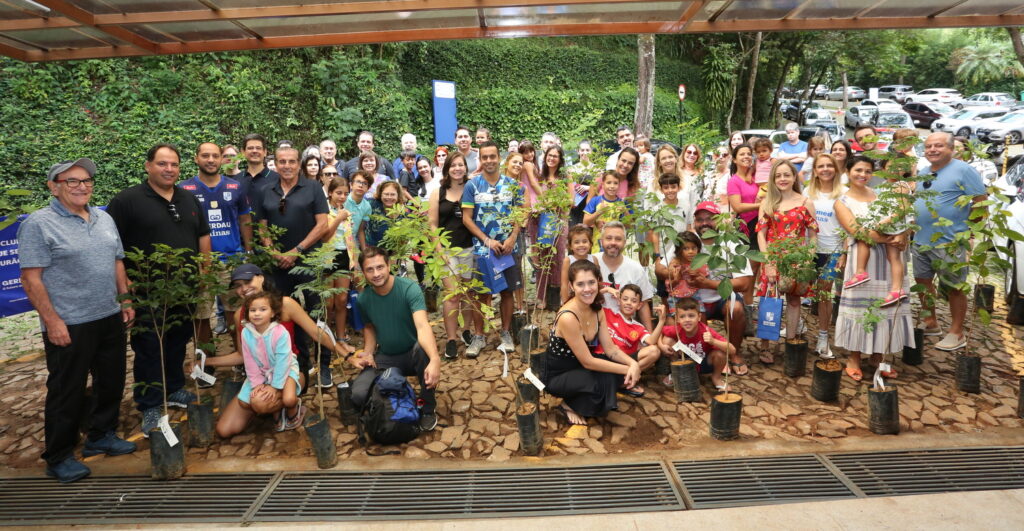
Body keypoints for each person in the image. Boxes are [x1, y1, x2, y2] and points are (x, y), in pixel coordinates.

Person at [19, 158, 136, 483]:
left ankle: (101, 433)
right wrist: (52, 320)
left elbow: (116, 262)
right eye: (72, 181)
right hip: (69, 322)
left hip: (109, 315)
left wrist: (125, 299)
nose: (82, 186)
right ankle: (58, 455)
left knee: (111, 380)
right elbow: (31, 279)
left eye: (86, 180)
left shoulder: (103, 218)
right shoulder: (38, 224)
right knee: (66, 389)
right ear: (53, 187)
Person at [106, 144, 211, 435]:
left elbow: (203, 235)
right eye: (162, 164)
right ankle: (150, 404)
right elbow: (113, 247)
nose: (169, 169)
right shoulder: (127, 201)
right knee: (149, 348)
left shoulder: (188, 198)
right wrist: (125, 282)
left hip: (183, 289)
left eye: (174, 164)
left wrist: (204, 270)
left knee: (178, 341)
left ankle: (174, 388)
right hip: (147, 292)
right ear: (148, 166)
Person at [251, 145, 330, 385]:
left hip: (308, 262)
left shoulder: (313, 187)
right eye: (282, 161)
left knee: (317, 313)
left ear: (299, 163)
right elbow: (261, 226)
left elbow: (322, 224)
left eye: (292, 161)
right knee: (282, 316)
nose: (286, 166)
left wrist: (297, 251)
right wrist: (275, 252)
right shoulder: (266, 190)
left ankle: (324, 364)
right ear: (275, 163)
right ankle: (297, 365)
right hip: (277, 267)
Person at [833, 156, 914, 381]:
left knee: (886, 307)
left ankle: (879, 356)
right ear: (848, 171)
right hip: (862, 261)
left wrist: (902, 234)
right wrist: (890, 239)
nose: (863, 175)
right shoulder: (842, 201)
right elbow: (857, 231)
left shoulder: (882, 195)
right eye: (858, 170)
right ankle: (854, 357)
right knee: (859, 309)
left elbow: (904, 218)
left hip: (889, 262)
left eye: (868, 171)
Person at [349, 247, 441, 432]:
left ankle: (428, 408)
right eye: (370, 269)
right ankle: (388, 400)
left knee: (424, 352)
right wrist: (368, 352)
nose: (376, 274)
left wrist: (435, 359)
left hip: (413, 353)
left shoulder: (409, 288)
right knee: (358, 395)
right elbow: (369, 327)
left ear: (389, 265)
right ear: (363, 272)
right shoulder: (364, 299)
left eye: (380, 267)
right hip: (386, 357)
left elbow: (423, 326)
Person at [912, 132, 987, 351]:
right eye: (928, 146)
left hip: (950, 242)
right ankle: (931, 321)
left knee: (954, 287)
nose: (932, 150)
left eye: (938, 146)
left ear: (951, 148)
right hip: (921, 240)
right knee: (923, 283)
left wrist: (966, 232)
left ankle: (957, 332)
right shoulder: (924, 171)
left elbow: (981, 204)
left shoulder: (964, 170)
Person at [542, 259, 640, 425]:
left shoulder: (597, 309)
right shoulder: (568, 317)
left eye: (591, 282)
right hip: (559, 375)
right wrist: (627, 369)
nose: (587, 289)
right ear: (572, 286)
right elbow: (588, 362)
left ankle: (582, 399)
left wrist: (633, 364)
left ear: (598, 282)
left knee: (612, 376)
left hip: (581, 366)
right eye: (580, 284)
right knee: (606, 380)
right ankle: (568, 404)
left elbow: (610, 349)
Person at [178, 142, 253, 356]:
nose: (210, 160)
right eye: (205, 155)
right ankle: (206, 361)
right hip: (201, 263)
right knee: (201, 316)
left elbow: (245, 219)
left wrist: (248, 253)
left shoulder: (235, 187)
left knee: (235, 314)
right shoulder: (184, 190)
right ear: (196, 158)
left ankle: (240, 359)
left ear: (221, 159)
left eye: (214, 156)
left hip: (232, 260)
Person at [462, 141, 523, 357]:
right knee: (481, 293)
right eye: (485, 157)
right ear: (480, 160)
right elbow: (467, 220)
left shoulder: (513, 185)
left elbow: (520, 214)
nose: (489, 160)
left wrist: (512, 238)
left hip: (508, 248)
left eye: (492, 156)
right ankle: (479, 336)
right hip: (482, 249)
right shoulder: (472, 186)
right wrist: (487, 241)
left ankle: (505, 333)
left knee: (507, 291)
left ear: (500, 158)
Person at [754, 160, 818, 365]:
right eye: (778, 175)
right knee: (769, 301)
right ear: (773, 179)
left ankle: (791, 342)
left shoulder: (805, 202)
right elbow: (761, 236)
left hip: (796, 259)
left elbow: (813, 235)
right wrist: (769, 263)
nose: (782, 179)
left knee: (793, 301)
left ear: (794, 177)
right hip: (772, 258)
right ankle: (765, 346)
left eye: (786, 175)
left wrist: (807, 260)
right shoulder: (767, 202)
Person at [215, 291, 303, 438]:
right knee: (246, 402)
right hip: (262, 373)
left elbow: (283, 361)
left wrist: (274, 386)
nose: (257, 314)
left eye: (263, 309)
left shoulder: (280, 332)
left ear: (273, 313)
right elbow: (249, 361)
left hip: (285, 370)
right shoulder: (246, 333)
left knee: (289, 399)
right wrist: (257, 384)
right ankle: (276, 412)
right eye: (253, 310)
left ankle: (293, 409)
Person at [844, 156, 914, 307]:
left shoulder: (902, 186)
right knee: (864, 238)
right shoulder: (881, 187)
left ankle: (896, 288)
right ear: (883, 169)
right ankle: (861, 271)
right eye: (891, 166)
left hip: (894, 224)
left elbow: (903, 210)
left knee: (894, 256)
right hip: (883, 222)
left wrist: (885, 223)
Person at [691, 201, 752, 376]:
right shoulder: (688, 242)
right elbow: (662, 266)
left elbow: (744, 283)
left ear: (719, 220)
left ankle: (734, 353)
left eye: (710, 219)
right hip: (697, 299)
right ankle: (711, 356)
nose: (704, 223)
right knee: (693, 315)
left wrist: (708, 284)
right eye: (699, 219)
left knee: (737, 309)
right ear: (694, 222)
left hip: (721, 298)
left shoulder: (730, 244)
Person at [429, 151, 475, 359]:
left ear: (466, 167)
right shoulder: (437, 193)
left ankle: (466, 330)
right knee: (452, 294)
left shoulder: (472, 188)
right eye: (453, 165)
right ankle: (450, 338)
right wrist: (439, 251)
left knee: (467, 294)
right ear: (447, 169)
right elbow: (432, 224)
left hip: (470, 248)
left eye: (461, 165)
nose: (458, 168)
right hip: (447, 250)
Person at [804, 153, 845, 358]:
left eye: (830, 165)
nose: (826, 169)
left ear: (836, 170)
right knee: (803, 290)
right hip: (809, 250)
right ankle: (799, 326)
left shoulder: (843, 193)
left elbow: (849, 227)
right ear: (815, 170)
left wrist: (844, 253)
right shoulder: (807, 192)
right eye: (821, 166)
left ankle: (822, 336)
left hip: (833, 251)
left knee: (824, 292)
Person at [600, 284, 666, 396]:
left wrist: (661, 321)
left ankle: (625, 380)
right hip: (604, 358)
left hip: (625, 361)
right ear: (618, 300)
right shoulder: (607, 313)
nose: (629, 303)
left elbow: (651, 341)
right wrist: (606, 290)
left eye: (634, 301)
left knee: (654, 351)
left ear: (639, 305)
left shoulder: (638, 327)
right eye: (625, 299)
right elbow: (588, 301)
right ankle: (623, 381)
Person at [657, 297, 733, 391]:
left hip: (703, 363)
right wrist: (661, 345)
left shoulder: (705, 331)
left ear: (699, 317)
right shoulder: (677, 329)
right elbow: (660, 332)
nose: (687, 320)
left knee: (720, 353)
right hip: (684, 360)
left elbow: (732, 350)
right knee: (667, 340)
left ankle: (716, 378)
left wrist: (713, 341)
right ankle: (676, 372)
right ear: (677, 319)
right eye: (682, 316)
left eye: (691, 316)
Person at [531, 145, 570, 311]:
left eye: (555, 156)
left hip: (559, 223)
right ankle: (542, 297)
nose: (552, 158)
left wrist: (558, 207)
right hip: (541, 223)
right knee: (542, 259)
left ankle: (561, 296)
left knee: (559, 259)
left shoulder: (565, 176)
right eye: (549, 155)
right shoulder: (540, 177)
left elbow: (571, 200)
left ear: (560, 159)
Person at [595, 221, 654, 329]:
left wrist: (649, 335)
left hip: (625, 330)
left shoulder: (635, 269)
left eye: (618, 239)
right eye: (608, 238)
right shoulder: (591, 262)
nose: (613, 242)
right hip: (595, 326)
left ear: (625, 242)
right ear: (601, 241)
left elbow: (643, 304)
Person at [727, 144, 761, 308]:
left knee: (755, 270)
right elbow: (738, 207)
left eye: (749, 153)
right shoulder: (734, 181)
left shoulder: (757, 177)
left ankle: (750, 305)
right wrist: (760, 206)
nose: (747, 156)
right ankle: (745, 308)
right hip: (745, 227)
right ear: (734, 159)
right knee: (746, 271)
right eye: (742, 154)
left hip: (760, 225)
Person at [323, 177, 356, 341]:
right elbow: (324, 236)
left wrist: (354, 261)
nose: (342, 197)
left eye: (345, 194)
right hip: (328, 257)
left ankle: (341, 335)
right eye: (338, 193)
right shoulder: (324, 212)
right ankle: (327, 335)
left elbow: (350, 239)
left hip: (344, 257)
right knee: (328, 302)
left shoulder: (347, 212)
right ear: (330, 193)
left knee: (342, 299)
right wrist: (338, 218)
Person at [666, 231, 709, 307]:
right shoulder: (675, 264)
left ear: (698, 249)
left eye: (694, 248)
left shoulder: (699, 264)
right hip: (676, 298)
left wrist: (696, 275)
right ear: (679, 250)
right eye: (685, 248)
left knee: (701, 314)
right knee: (677, 317)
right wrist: (676, 279)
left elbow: (704, 281)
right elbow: (668, 286)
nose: (690, 252)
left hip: (694, 297)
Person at [237, 133, 280, 207]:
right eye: (250, 148)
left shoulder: (278, 179)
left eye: (258, 148)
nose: (254, 151)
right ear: (243, 152)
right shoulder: (236, 180)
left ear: (265, 152)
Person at [559, 224, 598, 305]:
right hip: (572, 299)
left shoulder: (594, 259)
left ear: (590, 244)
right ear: (570, 246)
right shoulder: (568, 260)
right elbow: (564, 284)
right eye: (576, 242)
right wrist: (566, 303)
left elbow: (599, 281)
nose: (581, 245)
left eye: (584, 241)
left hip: (589, 296)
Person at [362, 180, 405, 248]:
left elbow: (403, 240)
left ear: (398, 195)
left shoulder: (403, 213)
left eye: (393, 194)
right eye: (386, 194)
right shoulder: (372, 204)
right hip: (371, 249)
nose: (389, 197)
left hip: (392, 251)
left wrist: (394, 257)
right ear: (380, 194)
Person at [346, 170, 374, 251]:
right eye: (358, 182)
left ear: (368, 188)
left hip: (352, 242)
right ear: (351, 185)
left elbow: (360, 229)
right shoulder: (343, 200)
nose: (361, 186)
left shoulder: (367, 206)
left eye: (365, 183)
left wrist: (364, 249)